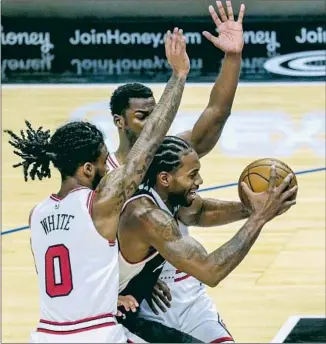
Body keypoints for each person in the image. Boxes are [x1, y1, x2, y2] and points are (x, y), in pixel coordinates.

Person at [4, 28, 190, 343]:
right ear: (88, 168)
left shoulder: (37, 215)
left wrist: (108, 297)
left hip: (47, 335)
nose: (110, 167)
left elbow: (72, 278)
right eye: (105, 161)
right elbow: (151, 139)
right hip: (96, 335)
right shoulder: (98, 204)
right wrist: (179, 75)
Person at [106, 1, 250, 342]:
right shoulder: (106, 177)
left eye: (156, 113)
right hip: (136, 301)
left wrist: (232, 57)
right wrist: (118, 284)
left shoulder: (167, 155)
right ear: (119, 121)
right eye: (143, 117)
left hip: (183, 283)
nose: (153, 122)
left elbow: (215, 114)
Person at [117, 136, 297, 343]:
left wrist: (254, 207)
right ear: (165, 178)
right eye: (192, 175)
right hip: (129, 312)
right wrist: (260, 217)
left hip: (182, 303)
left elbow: (200, 211)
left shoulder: (170, 197)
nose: (200, 181)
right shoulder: (145, 215)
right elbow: (210, 271)